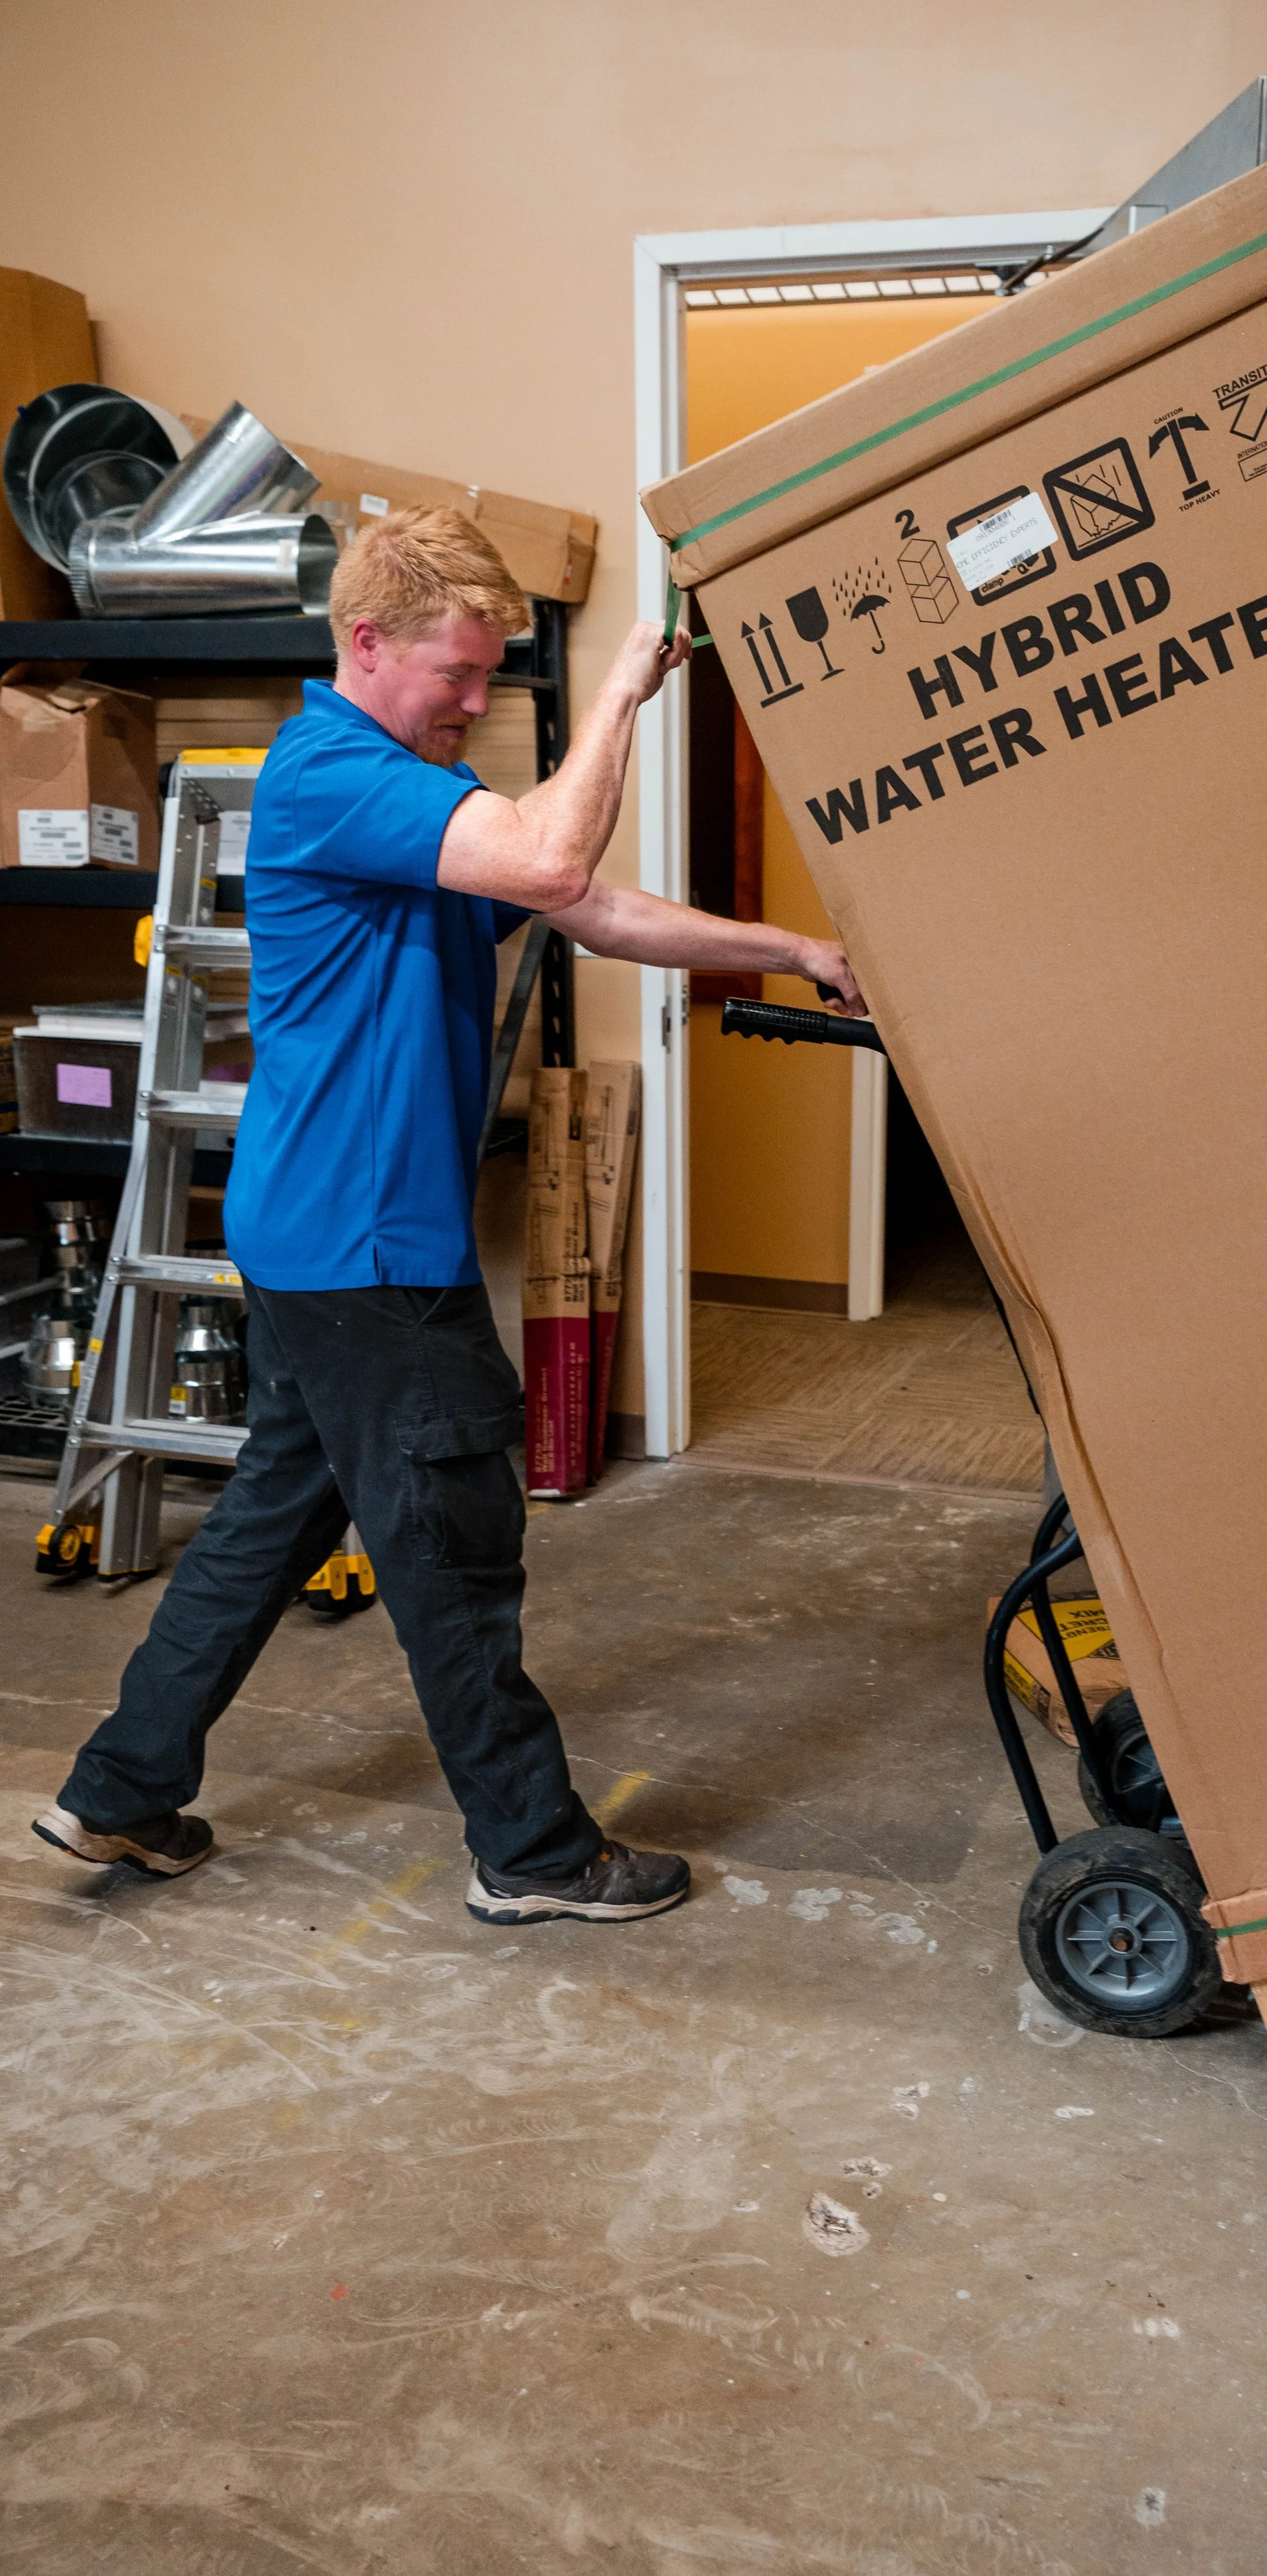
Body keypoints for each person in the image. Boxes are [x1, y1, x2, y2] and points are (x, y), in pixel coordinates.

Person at [34, 506, 864, 1926]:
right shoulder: (336, 773)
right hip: (367, 1252)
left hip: (314, 1236)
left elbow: (590, 906)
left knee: (264, 1529)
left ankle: (119, 1794)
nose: (476, 706)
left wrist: (788, 951)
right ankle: (533, 1854)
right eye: (459, 676)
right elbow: (551, 865)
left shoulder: (396, 786)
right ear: (365, 643)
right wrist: (615, 698)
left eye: (494, 680)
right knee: (453, 1549)